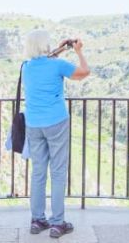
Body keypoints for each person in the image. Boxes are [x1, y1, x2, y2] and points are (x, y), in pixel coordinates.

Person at [22, 29, 90, 239]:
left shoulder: (25, 67)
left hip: (33, 124)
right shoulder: (57, 65)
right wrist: (78, 51)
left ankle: (37, 219)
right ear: (46, 45)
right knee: (58, 172)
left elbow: (44, 60)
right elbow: (84, 72)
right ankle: (57, 223)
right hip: (56, 122)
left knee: (38, 172)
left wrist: (60, 48)